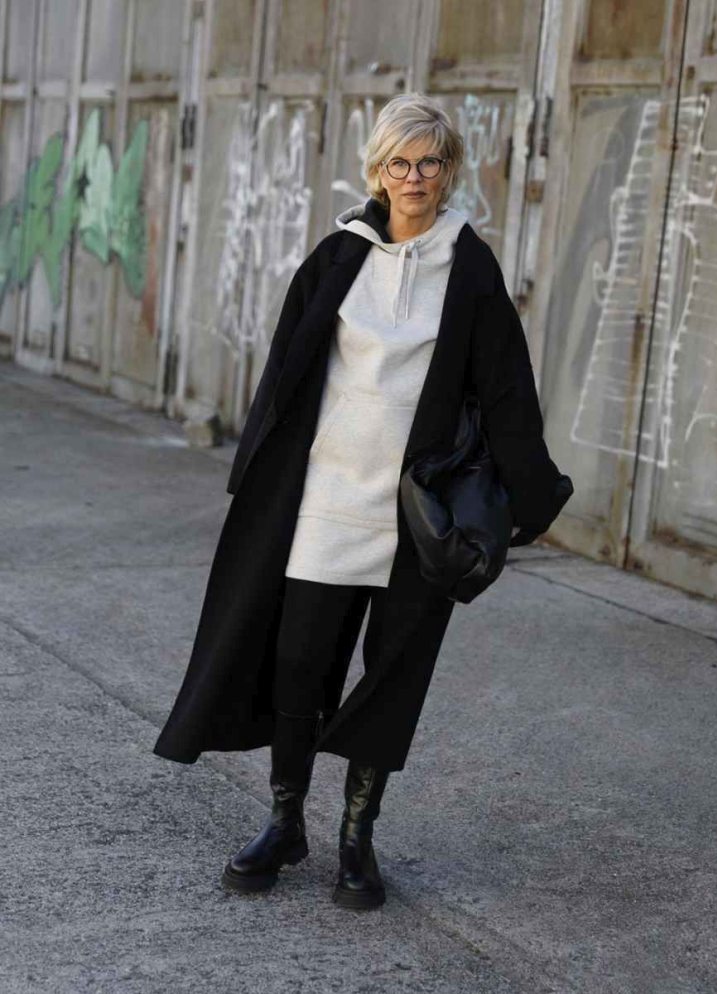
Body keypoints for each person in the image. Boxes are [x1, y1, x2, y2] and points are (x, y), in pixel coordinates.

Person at [153, 92, 572, 911]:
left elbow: (507, 390)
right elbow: (284, 373)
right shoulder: (338, 256)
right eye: (397, 162)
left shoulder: (470, 267)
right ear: (377, 170)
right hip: (327, 496)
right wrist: (256, 476)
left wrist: (532, 496)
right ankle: (285, 823)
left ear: (449, 171)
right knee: (299, 664)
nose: (413, 177)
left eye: (428, 162)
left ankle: (356, 836)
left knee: (392, 675)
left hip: (418, 516)